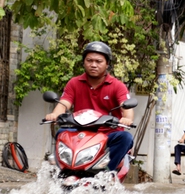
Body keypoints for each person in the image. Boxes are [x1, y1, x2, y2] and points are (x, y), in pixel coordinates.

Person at [45, 41, 134, 171]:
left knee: (126, 138)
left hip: (107, 133)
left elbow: (126, 108)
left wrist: (127, 118)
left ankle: (106, 172)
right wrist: (54, 114)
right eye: (89, 60)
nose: (93, 65)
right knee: (61, 133)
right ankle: (62, 171)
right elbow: (64, 103)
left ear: (107, 64)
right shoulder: (74, 83)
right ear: (84, 62)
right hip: (80, 132)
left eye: (99, 61)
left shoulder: (117, 86)